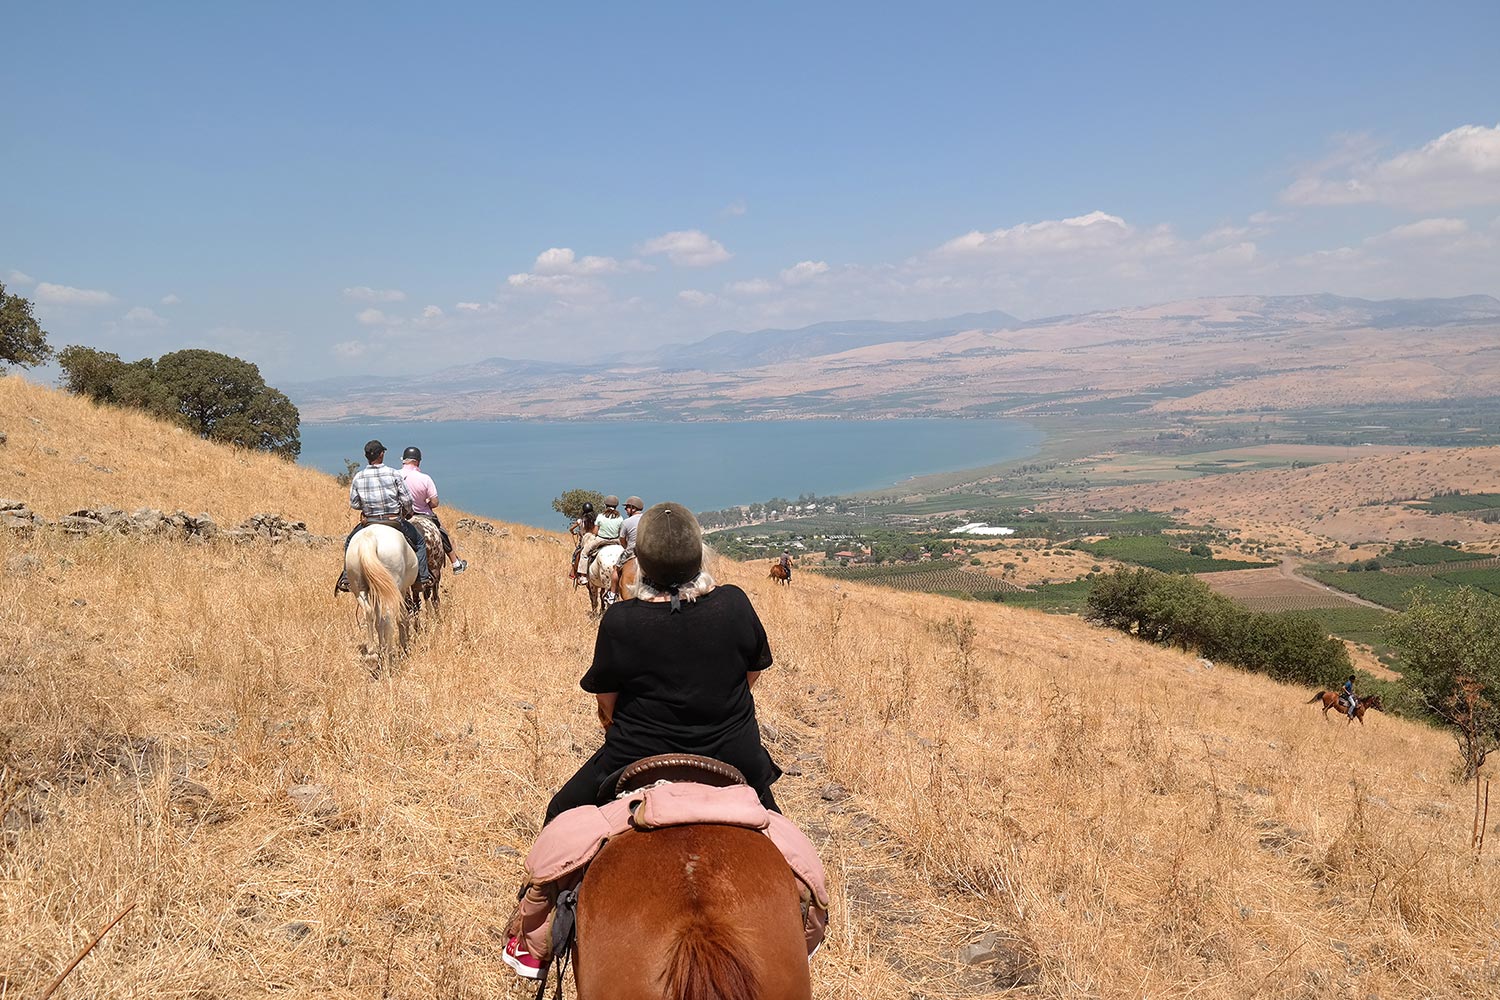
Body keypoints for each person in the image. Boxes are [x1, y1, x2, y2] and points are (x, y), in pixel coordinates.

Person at [545, 501, 783, 823]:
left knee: (559, 812)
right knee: (789, 847)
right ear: (699, 554)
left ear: (641, 560)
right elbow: (751, 673)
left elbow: (607, 704)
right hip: (734, 755)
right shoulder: (734, 603)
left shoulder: (620, 621)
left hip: (635, 756)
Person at [335, 440, 431, 593]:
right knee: (419, 541)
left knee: (349, 542)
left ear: (366, 456)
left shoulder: (359, 477)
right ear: (381, 454)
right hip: (393, 521)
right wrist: (407, 510)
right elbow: (407, 500)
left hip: (369, 522)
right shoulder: (393, 473)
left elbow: (354, 503)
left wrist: (367, 506)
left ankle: (346, 577)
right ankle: (422, 578)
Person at [399, 446, 467, 574]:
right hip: (423, 514)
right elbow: (435, 502)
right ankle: (456, 563)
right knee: (442, 533)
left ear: (404, 461)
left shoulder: (395, 475)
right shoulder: (425, 478)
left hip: (400, 516)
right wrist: (427, 503)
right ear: (418, 461)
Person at [576, 495, 624, 578]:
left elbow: (595, 531)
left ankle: (583, 576)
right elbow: (621, 531)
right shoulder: (620, 517)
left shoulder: (601, 516)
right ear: (616, 506)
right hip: (616, 540)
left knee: (584, 552)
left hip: (601, 540)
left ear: (605, 505)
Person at [569, 502, 597, 584]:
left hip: (584, 541)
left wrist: (573, 532)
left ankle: (576, 574)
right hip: (594, 540)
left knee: (575, 555)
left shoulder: (580, 521)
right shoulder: (595, 520)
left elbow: (571, 529)